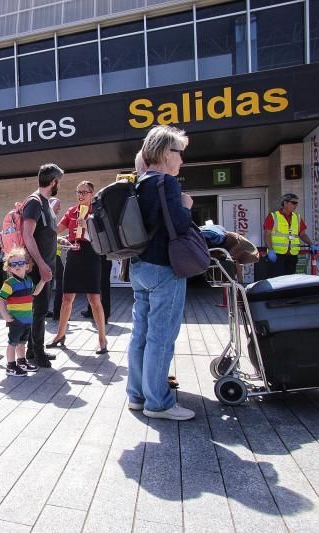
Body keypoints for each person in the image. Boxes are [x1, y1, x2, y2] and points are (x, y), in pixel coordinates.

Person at [127, 125, 196, 421]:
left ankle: (137, 395)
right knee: (161, 336)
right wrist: (186, 205)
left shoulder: (140, 182)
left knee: (140, 333)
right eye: (179, 154)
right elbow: (179, 225)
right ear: (167, 154)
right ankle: (159, 403)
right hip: (163, 269)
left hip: (139, 267)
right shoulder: (167, 184)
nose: (182, 160)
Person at [48, 180, 108, 354]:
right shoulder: (71, 211)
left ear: (92, 194)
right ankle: (60, 335)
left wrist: (88, 227)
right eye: (78, 192)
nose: (81, 195)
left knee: (94, 299)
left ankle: (102, 339)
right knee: (67, 298)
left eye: (84, 192)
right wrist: (54, 231)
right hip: (74, 253)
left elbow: (103, 237)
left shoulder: (97, 212)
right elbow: (57, 230)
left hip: (92, 254)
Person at [22, 163, 63, 368]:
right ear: (53, 182)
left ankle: (33, 349)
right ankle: (37, 352)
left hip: (47, 265)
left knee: (39, 310)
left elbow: (45, 234)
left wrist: (62, 242)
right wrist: (41, 264)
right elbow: (27, 235)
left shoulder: (45, 203)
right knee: (38, 311)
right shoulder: (34, 202)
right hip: (39, 268)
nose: (59, 186)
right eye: (58, 182)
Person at [0, 247, 41, 376]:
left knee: (22, 343)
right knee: (13, 343)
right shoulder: (10, 283)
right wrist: (5, 315)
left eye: (20, 263)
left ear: (27, 266)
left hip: (27, 319)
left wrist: (43, 281)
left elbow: (35, 293)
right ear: (9, 268)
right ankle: (10, 366)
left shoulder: (28, 281)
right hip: (15, 320)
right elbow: (0, 298)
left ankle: (21, 362)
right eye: (13, 264)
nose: (17, 266)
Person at [263, 193, 317, 277]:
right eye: (293, 203)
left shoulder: (297, 217)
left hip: (292, 255)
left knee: (289, 282)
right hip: (277, 255)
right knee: (278, 281)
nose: (295, 205)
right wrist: (270, 250)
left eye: (296, 203)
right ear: (285, 203)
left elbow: (302, 234)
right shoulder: (273, 216)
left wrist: (311, 244)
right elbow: (267, 235)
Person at [49, 197, 64, 320]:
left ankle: (45, 311)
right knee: (61, 283)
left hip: (53, 256)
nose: (59, 208)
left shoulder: (49, 218)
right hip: (53, 257)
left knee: (47, 284)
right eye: (57, 206)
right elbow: (51, 237)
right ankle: (57, 313)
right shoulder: (50, 219)